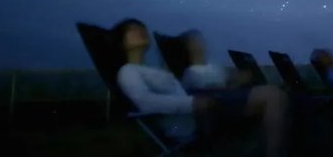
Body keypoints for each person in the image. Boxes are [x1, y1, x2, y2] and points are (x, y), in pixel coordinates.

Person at [114, 18, 290, 157]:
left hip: (203, 109)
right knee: (273, 96)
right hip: (194, 118)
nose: (140, 30)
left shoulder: (151, 70)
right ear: (121, 42)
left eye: (141, 27)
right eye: (131, 29)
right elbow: (146, 103)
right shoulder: (127, 71)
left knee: (274, 97)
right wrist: (193, 103)